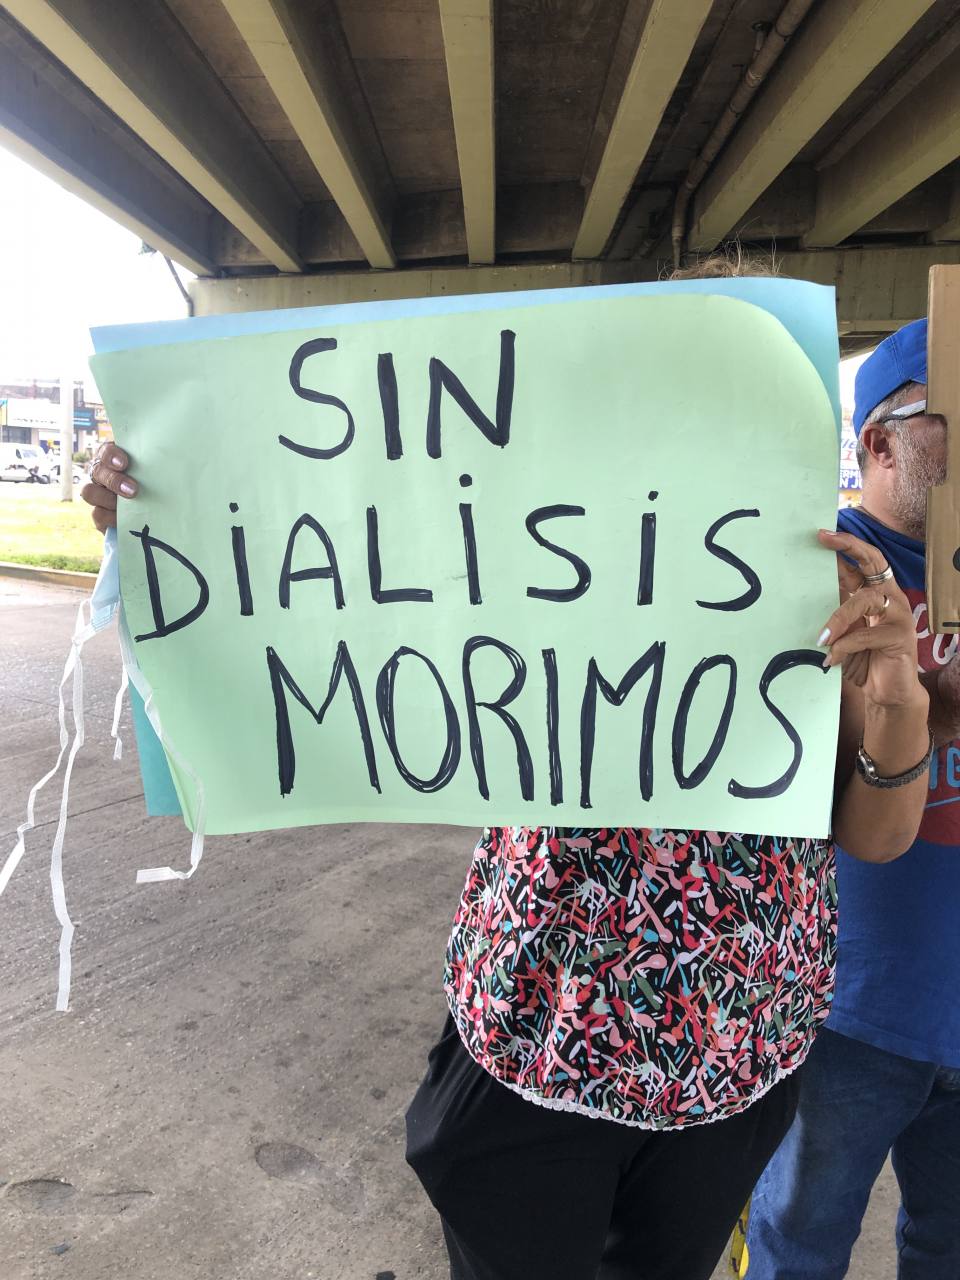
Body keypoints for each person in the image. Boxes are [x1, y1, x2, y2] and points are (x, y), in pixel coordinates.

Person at [82, 283, 933, 1280]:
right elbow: (320, 589)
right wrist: (165, 507)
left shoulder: (829, 574)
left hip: (732, 1057)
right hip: (535, 1038)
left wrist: (895, 704)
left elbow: (874, 835)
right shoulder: (519, 534)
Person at [747, 318, 960, 1280]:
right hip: (849, 1007)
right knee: (798, 1245)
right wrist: (915, 713)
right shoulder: (808, 568)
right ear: (879, 443)